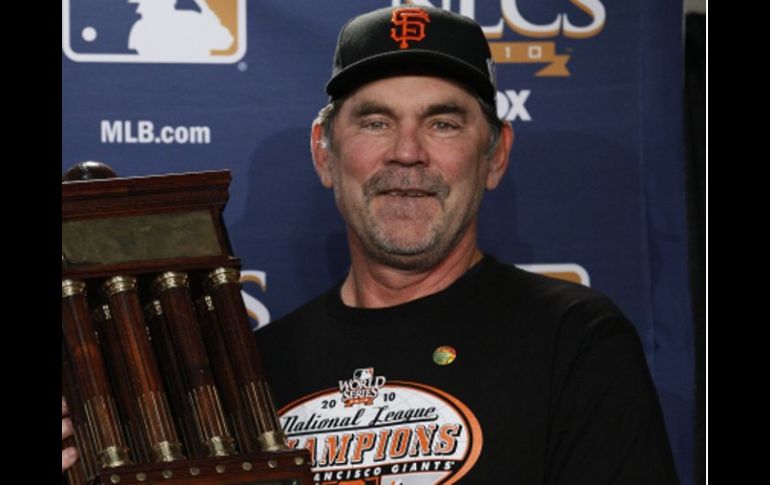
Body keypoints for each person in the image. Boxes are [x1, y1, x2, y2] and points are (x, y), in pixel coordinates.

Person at [64, 6, 680, 484]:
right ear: (324, 153)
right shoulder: (245, 370)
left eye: (443, 122)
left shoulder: (574, 340)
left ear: (495, 156)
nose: (406, 153)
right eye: (375, 121)